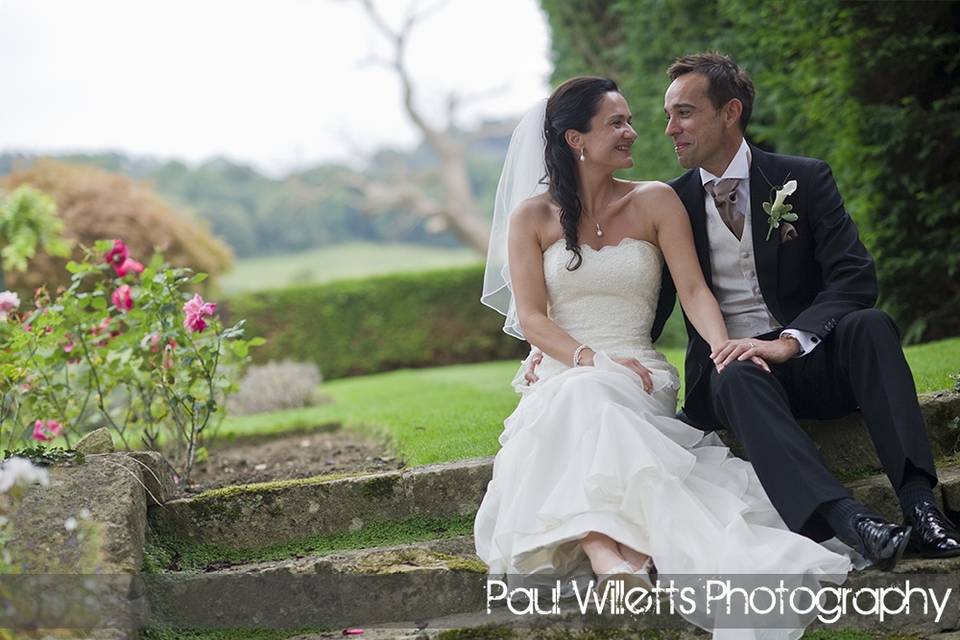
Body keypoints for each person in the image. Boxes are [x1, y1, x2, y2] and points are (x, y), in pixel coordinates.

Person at [475, 76, 854, 637]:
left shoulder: (656, 199)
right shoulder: (531, 218)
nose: (634, 132)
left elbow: (696, 290)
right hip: (566, 365)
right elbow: (532, 318)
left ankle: (607, 549)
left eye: (629, 120)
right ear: (575, 139)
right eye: (617, 123)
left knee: (590, 400)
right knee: (582, 394)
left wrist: (723, 344)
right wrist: (585, 359)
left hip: (640, 372)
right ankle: (611, 553)